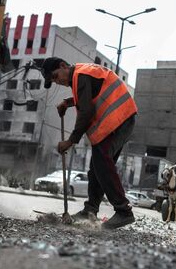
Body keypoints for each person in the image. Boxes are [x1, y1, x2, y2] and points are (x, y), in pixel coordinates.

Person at [41, 57, 137, 230]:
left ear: (63, 65)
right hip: (120, 119)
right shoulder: (81, 75)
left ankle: (124, 211)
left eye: (56, 76)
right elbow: (88, 97)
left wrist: (70, 141)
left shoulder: (81, 76)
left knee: (102, 161)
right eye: (53, 81)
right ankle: (90, 211)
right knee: (97, 168)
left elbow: (86, 111)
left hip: (119, 119)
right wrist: (68, 102)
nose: (57, 81)